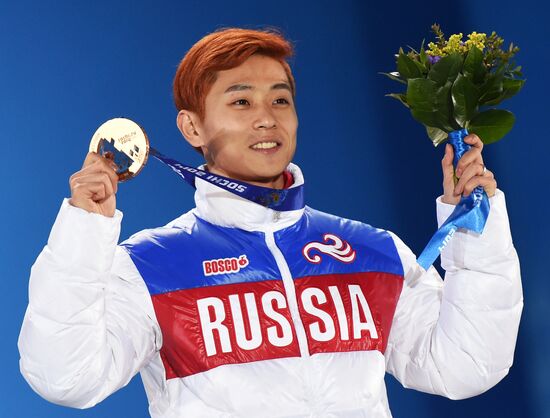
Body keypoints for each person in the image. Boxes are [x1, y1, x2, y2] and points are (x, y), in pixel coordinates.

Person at [18, 28, 523, 417]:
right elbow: (68, 378)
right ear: (192, 126)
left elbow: (465, 365)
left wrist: (474, 229)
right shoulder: (151, 265)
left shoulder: (373, 252)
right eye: (241, 101)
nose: (267, 118)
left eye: (280, 99)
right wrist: (84, 231)